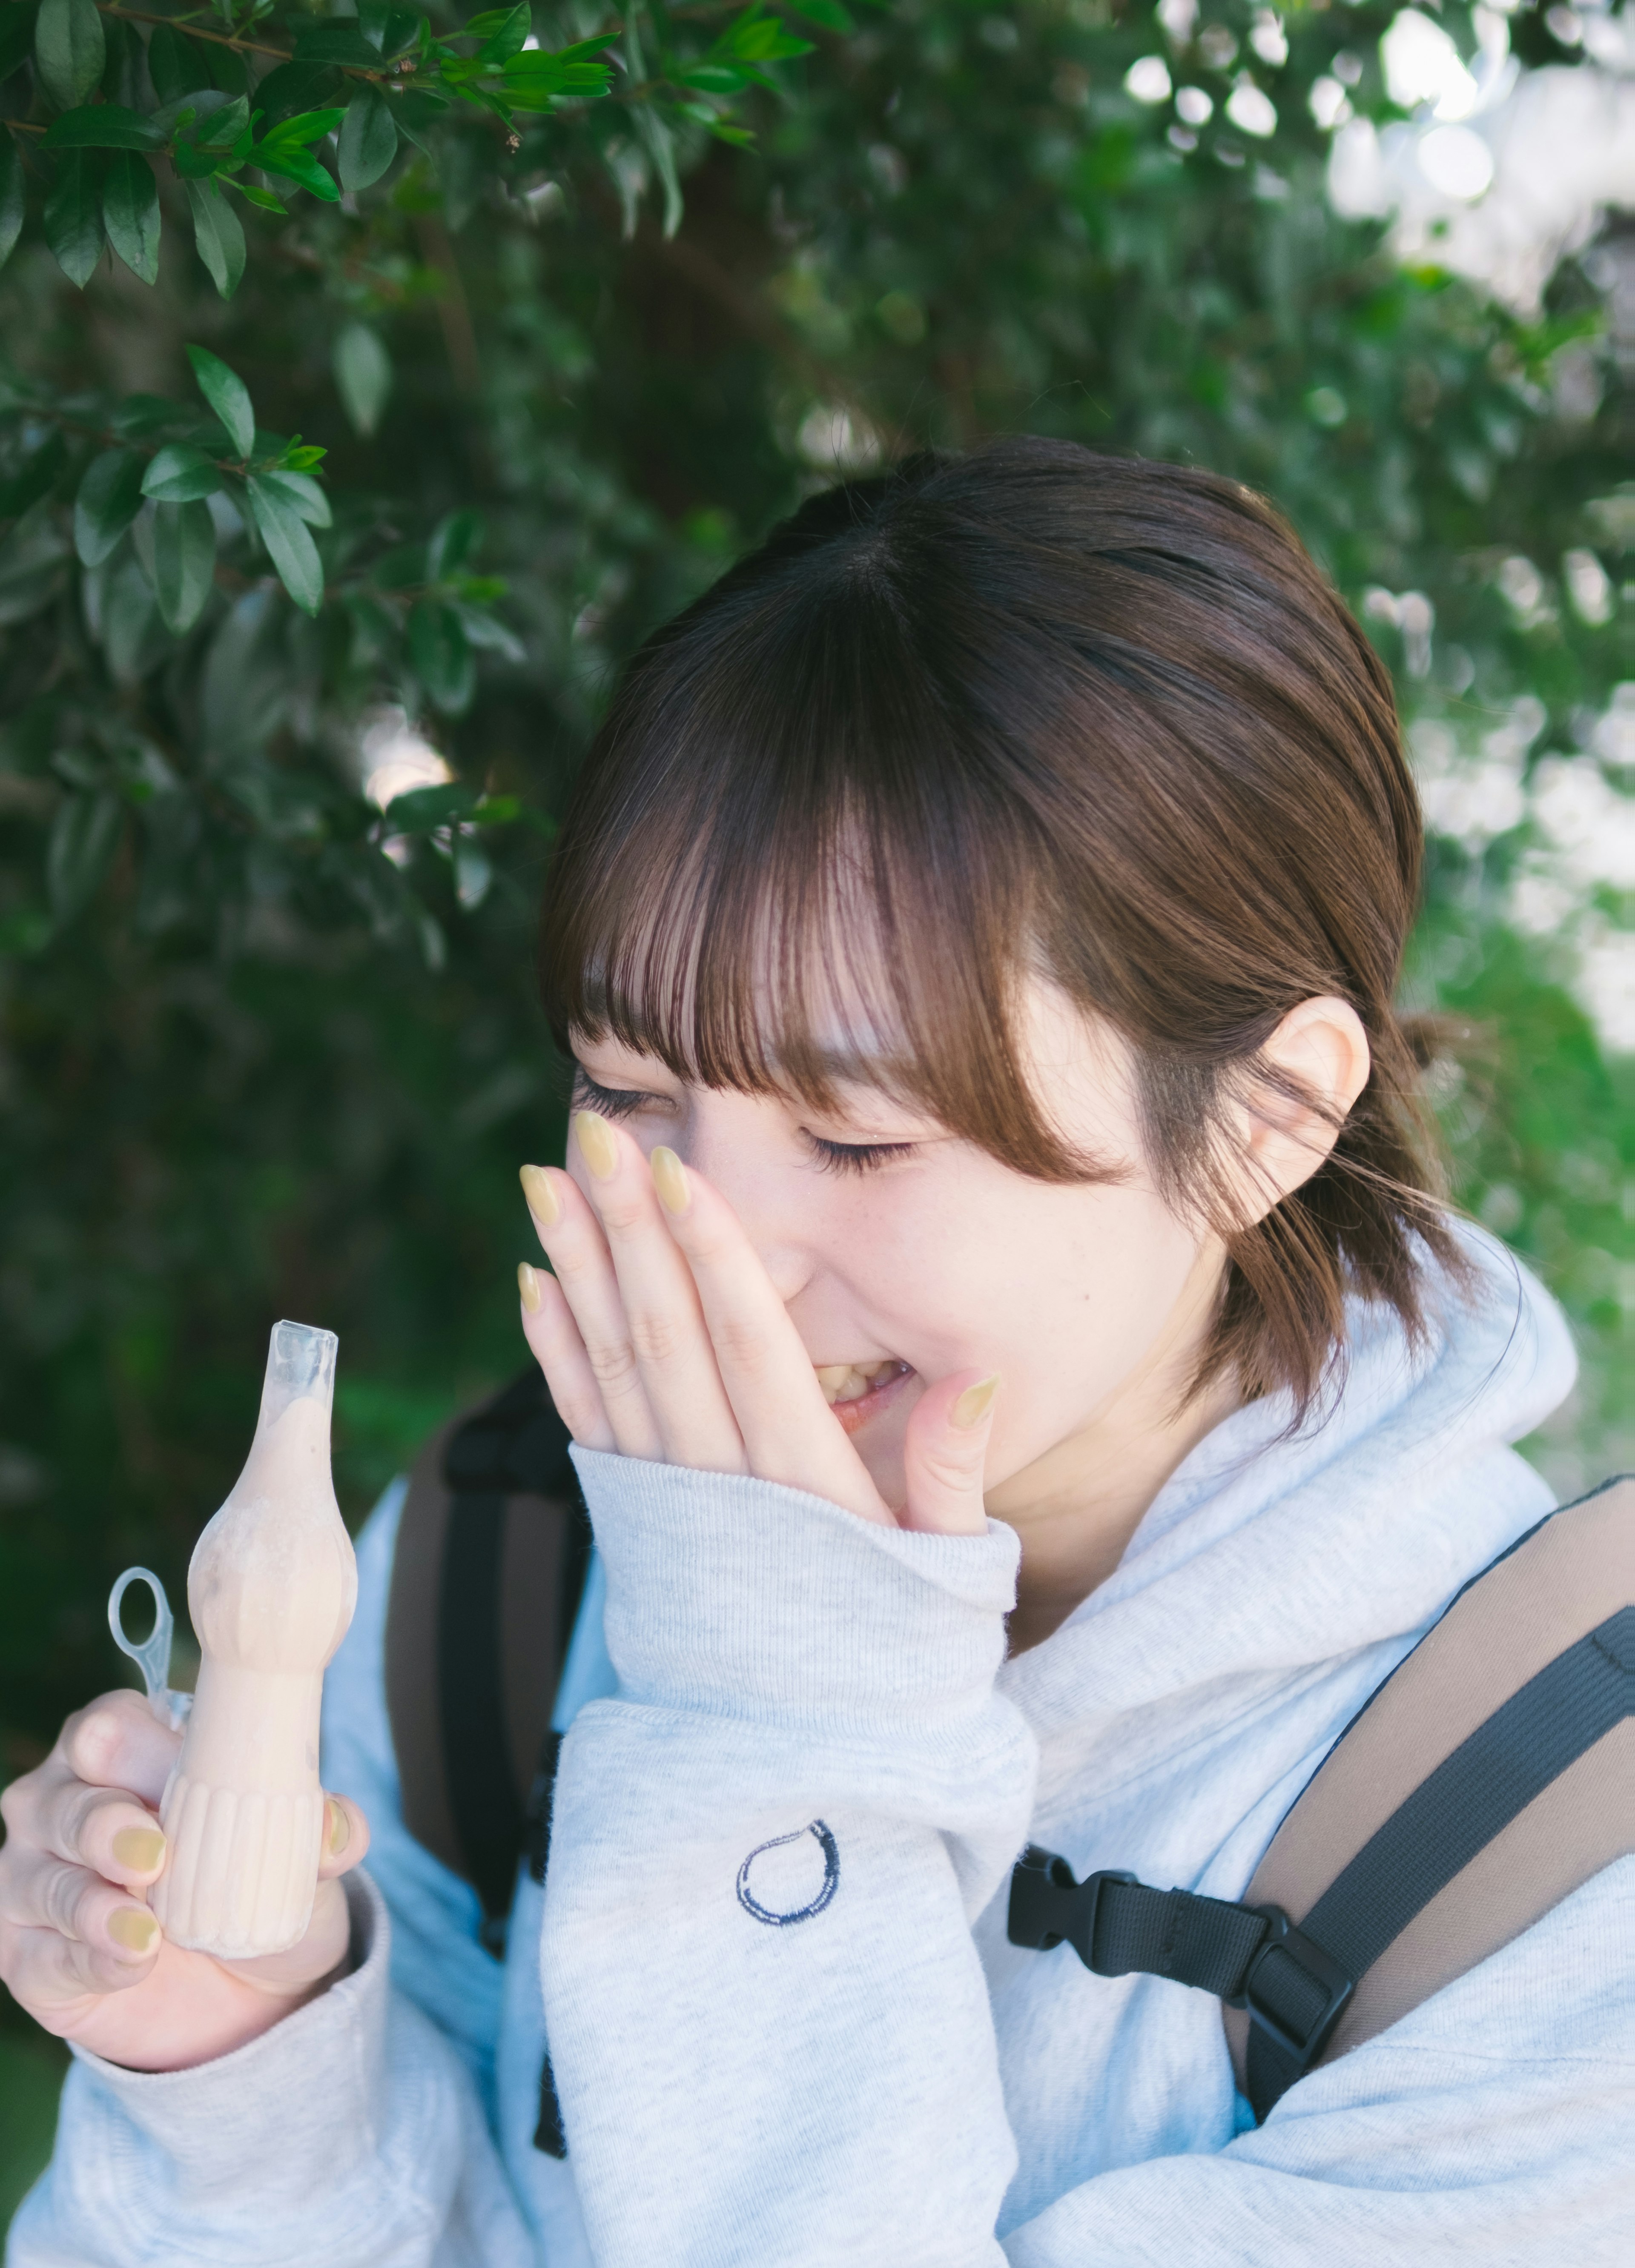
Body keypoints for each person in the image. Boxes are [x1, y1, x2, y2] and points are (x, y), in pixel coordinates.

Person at [3, 443, 1627, 2267]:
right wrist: (251, 2063)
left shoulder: (1559, 1869)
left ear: (1269, 1113)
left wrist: (774, 1720)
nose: (721, 1261)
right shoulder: (503, 1562)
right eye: (631, 1096)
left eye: (860, 1139)